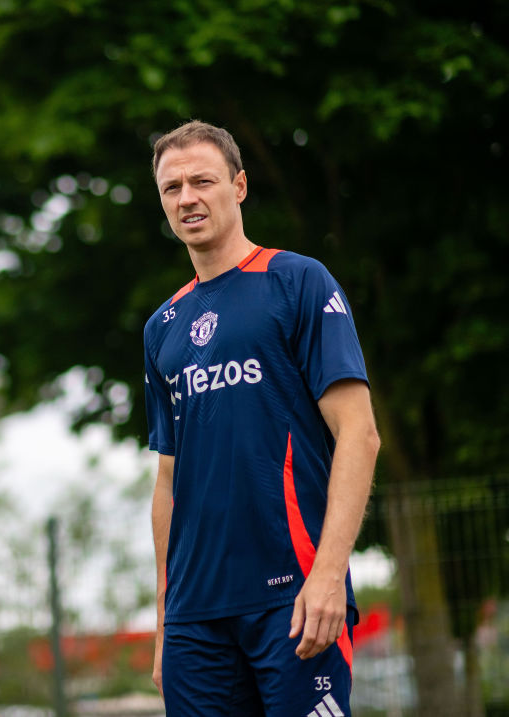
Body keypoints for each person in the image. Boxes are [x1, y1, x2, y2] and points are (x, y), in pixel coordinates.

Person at [143, 121, 380, 716]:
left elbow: (360, 433)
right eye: (172, 188)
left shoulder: (296, 281)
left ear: (239, 185)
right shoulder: (162, 327)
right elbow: (169, 480)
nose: (187, 197)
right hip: (196, 615)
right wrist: (164, 616)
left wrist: (328, 575)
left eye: (202, 181)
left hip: (294, 596)